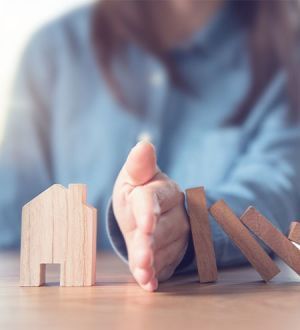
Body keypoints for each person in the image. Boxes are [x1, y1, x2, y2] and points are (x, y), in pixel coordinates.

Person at [1, 0, 300, 291]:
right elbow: (11, 216)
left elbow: (276, 188)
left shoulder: (288, 52)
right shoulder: (53, 49)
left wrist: (187, 225)